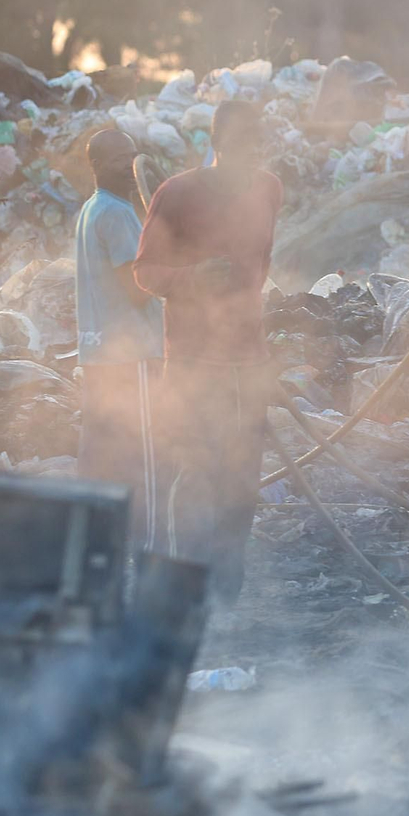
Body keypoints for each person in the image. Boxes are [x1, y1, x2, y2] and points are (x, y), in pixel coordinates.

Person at [134, 100, 284, 604]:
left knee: (242, 477)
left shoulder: (268, 188)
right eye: (240, 143)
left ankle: (227, 590)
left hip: (250, 361)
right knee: (192, 473)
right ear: (216, 142)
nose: (249, 153)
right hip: (193, 362)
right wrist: (193, 279)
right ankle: (181, 586)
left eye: (256, 143)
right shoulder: (177, 193)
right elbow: (145, 272)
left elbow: (262, 261)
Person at [75, 129, 164, 545]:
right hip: (131, 355)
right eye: (118, 159)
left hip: (99, 353)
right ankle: (145, 541)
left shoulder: (91, 209)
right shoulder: (117, 213)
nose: (130, 167)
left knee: (101, 455)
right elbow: (138, 287)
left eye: (132, 156)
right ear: (95, 165)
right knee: (142, 454)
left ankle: (96, 540)